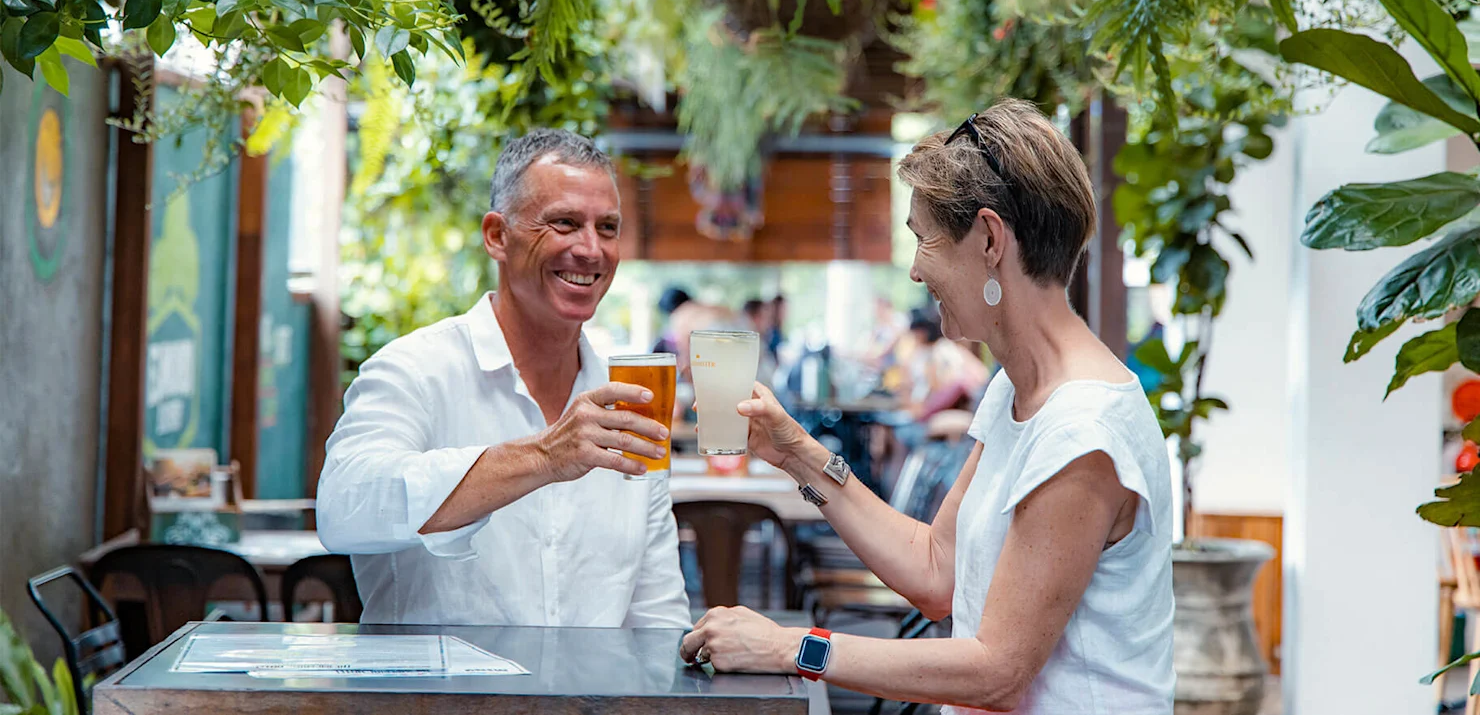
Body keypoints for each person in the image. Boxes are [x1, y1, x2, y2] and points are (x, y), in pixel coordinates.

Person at [679, 98, 1174, 713]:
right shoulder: (1018, 389)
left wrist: (790, 647)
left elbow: (997, 670)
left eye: (923, 239)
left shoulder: (1083, 431)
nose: (914, 271)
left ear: (989, 239)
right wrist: (796, 454)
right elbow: (938, 570)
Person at [316, 128, 689, 628]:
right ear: (497, 236)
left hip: (594, 684)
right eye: (564, 223)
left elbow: (657, 616)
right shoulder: (414, 369)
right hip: (434, 681)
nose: (591, 249)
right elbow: (344, 508)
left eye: (607, 228)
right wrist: (544, 456)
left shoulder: (628, 403)